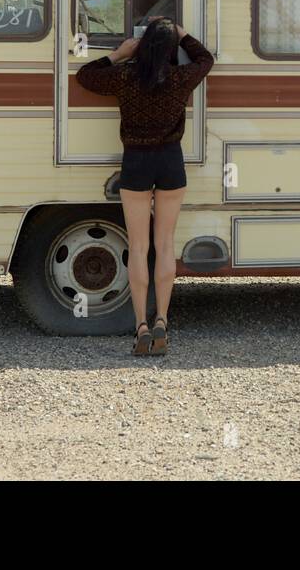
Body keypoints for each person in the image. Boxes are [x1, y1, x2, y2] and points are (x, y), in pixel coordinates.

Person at [75, 18, 214, 355]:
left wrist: (118, 54)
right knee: (164, 244)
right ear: (171, 48)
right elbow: (206, 60)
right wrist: (183, 36)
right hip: (170, 161)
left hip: (136, 162)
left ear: (143, 45)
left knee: (138, 247)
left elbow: (85, 76)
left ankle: (140, 325)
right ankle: (163, 320)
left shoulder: (126, 77)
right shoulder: (181, 79)